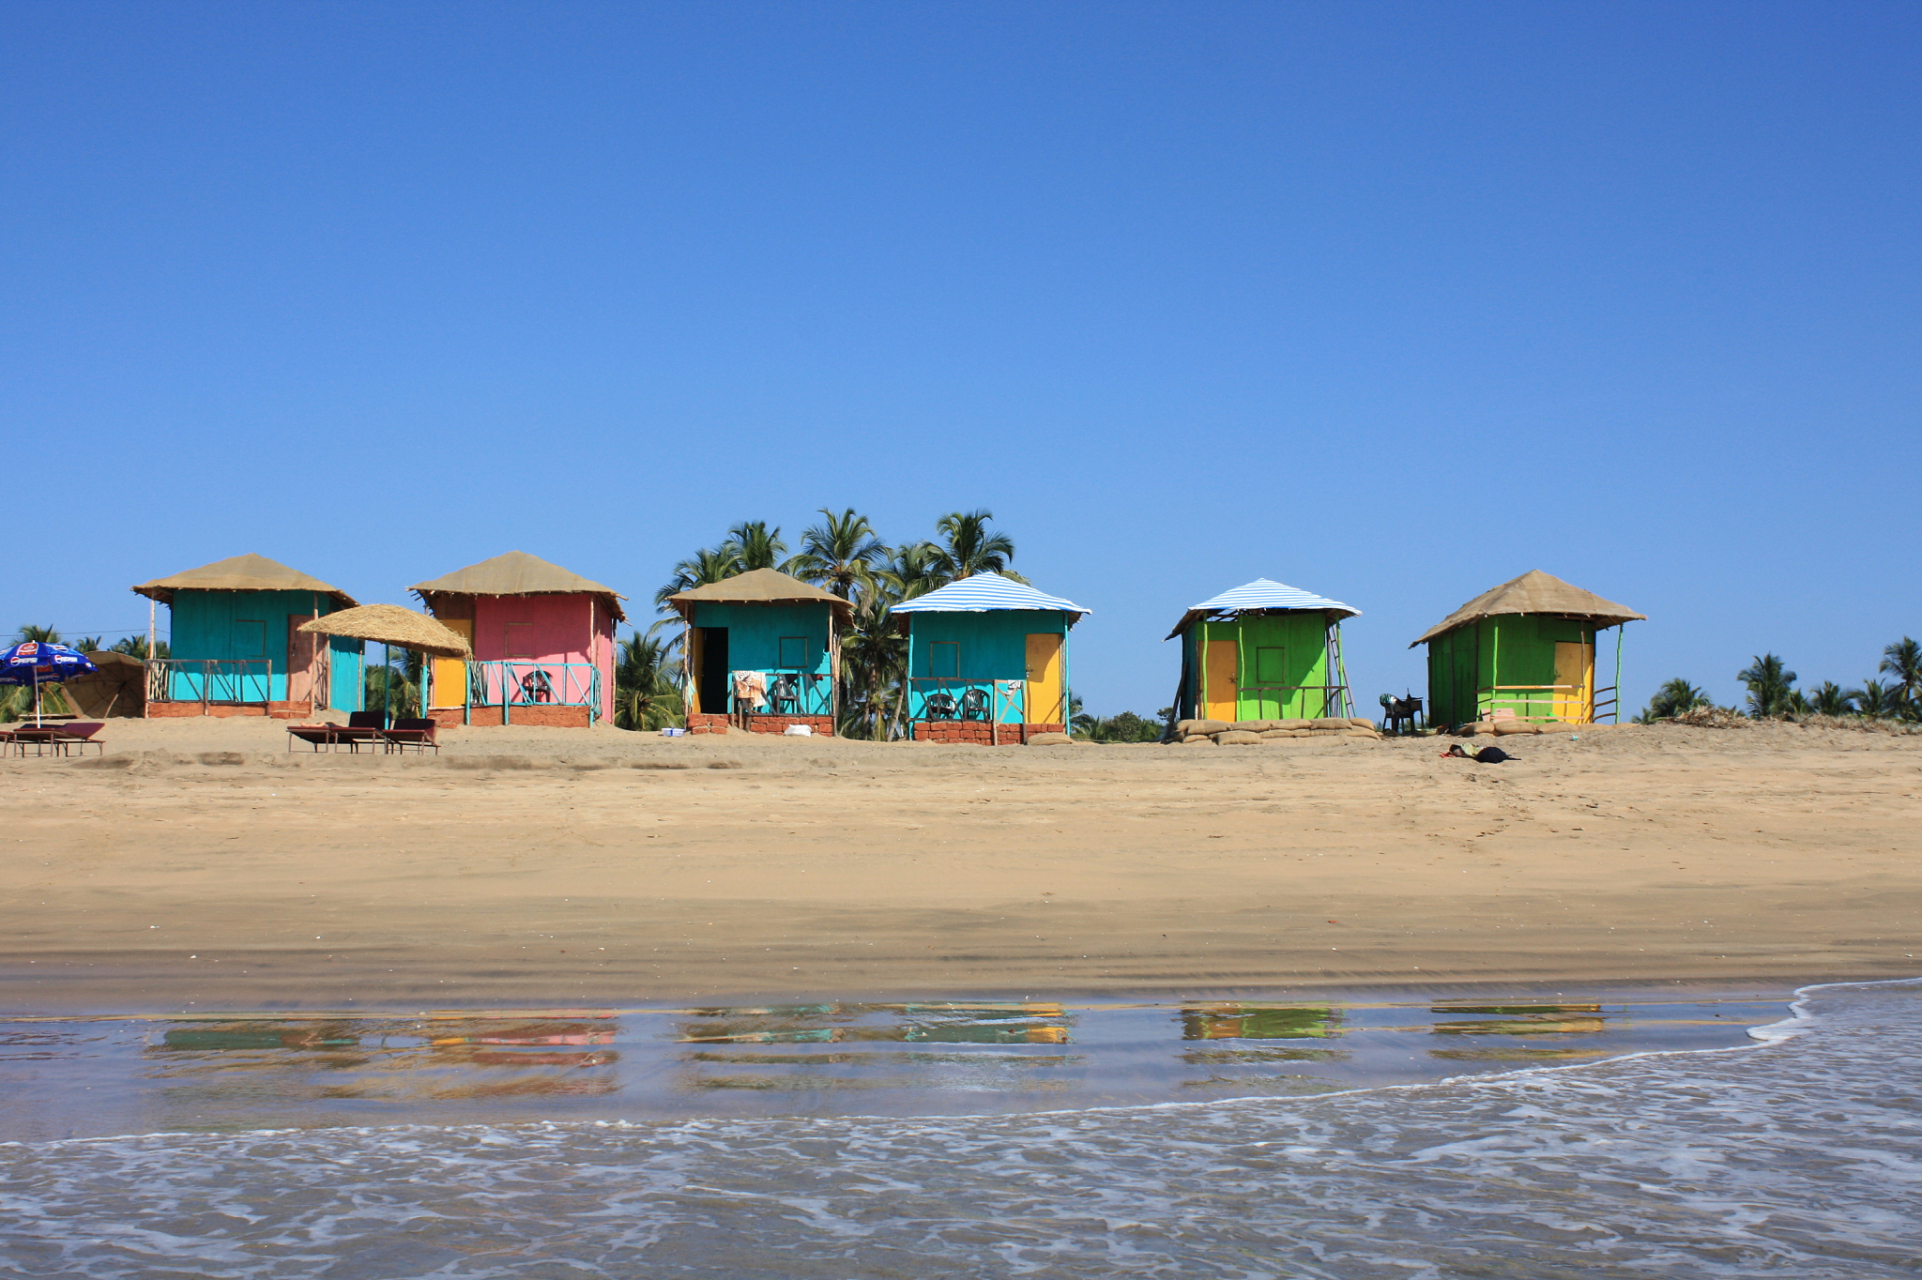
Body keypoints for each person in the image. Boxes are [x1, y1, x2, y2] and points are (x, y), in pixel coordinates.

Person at [1443, 742, 1515, 764]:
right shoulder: (1467, 748)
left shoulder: (1466, 747)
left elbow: (1465, 752)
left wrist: (1450, 754)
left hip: (1486, 752)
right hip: (1487, 752)